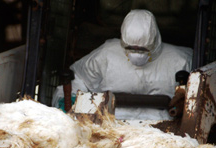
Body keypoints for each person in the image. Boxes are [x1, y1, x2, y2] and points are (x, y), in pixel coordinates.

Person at [52, 9, 193, 120]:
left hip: (164, 133)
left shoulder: (180, 61)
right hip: (110, 126)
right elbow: (78, 79)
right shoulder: (107, 54)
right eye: (131, 49)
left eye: (143, 50)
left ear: (155, 41)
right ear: (123, 40)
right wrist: (69, 99)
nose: (137, 54)